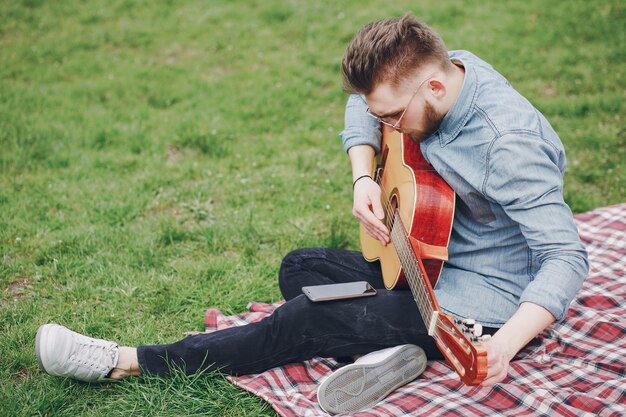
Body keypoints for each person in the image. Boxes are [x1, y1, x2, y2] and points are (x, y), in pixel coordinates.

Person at [35, 14, 589, 415]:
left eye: (393, 118)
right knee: (300, 268)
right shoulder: (437, 72)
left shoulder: (508, 146)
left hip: (478, 304)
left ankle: (125, 359)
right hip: (425, 259)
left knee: (306, 319)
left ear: (437, 87)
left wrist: (507, 343)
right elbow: (362, 103)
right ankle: (395, 347)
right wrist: (362, 175)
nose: (387, 127)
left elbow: (565, 255)